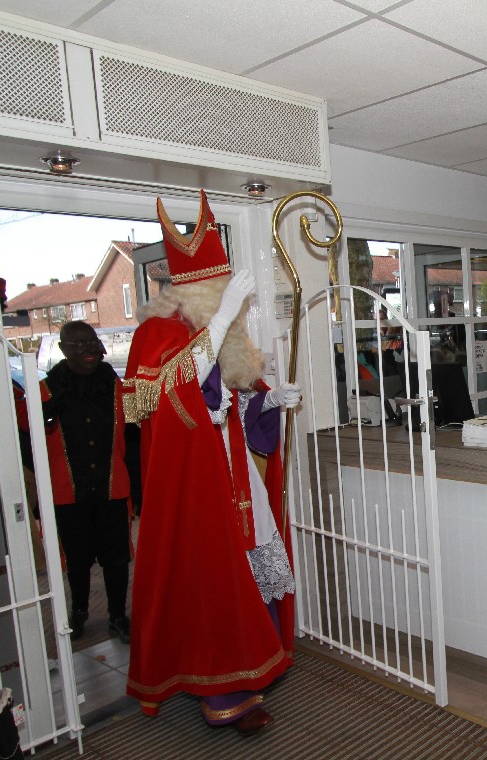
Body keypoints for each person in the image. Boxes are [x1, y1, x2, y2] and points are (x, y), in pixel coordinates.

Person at [121, 190, 299, 737]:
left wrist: (271, 400)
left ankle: (255, 669)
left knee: (249, 571)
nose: (228, 298)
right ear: (195, 291)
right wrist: (221, 318)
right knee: (213, 580)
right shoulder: (158, 333)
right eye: (219, 291)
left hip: (233, 474)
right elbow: (175, 396)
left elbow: (232, 405)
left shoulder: (216, 330)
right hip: (196, 486)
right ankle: (225, 695)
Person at [38, 319, 140, 644]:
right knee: (77, 558)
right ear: (63, 349)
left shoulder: (116, 387)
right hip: (68, 492)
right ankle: (79, 611)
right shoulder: (46, 391)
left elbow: (135, 437)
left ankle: (117, 615)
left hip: (112, 487)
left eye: (92, 341)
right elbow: (29, 441)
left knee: (116, 557)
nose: (88, 349)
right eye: (79, 343)